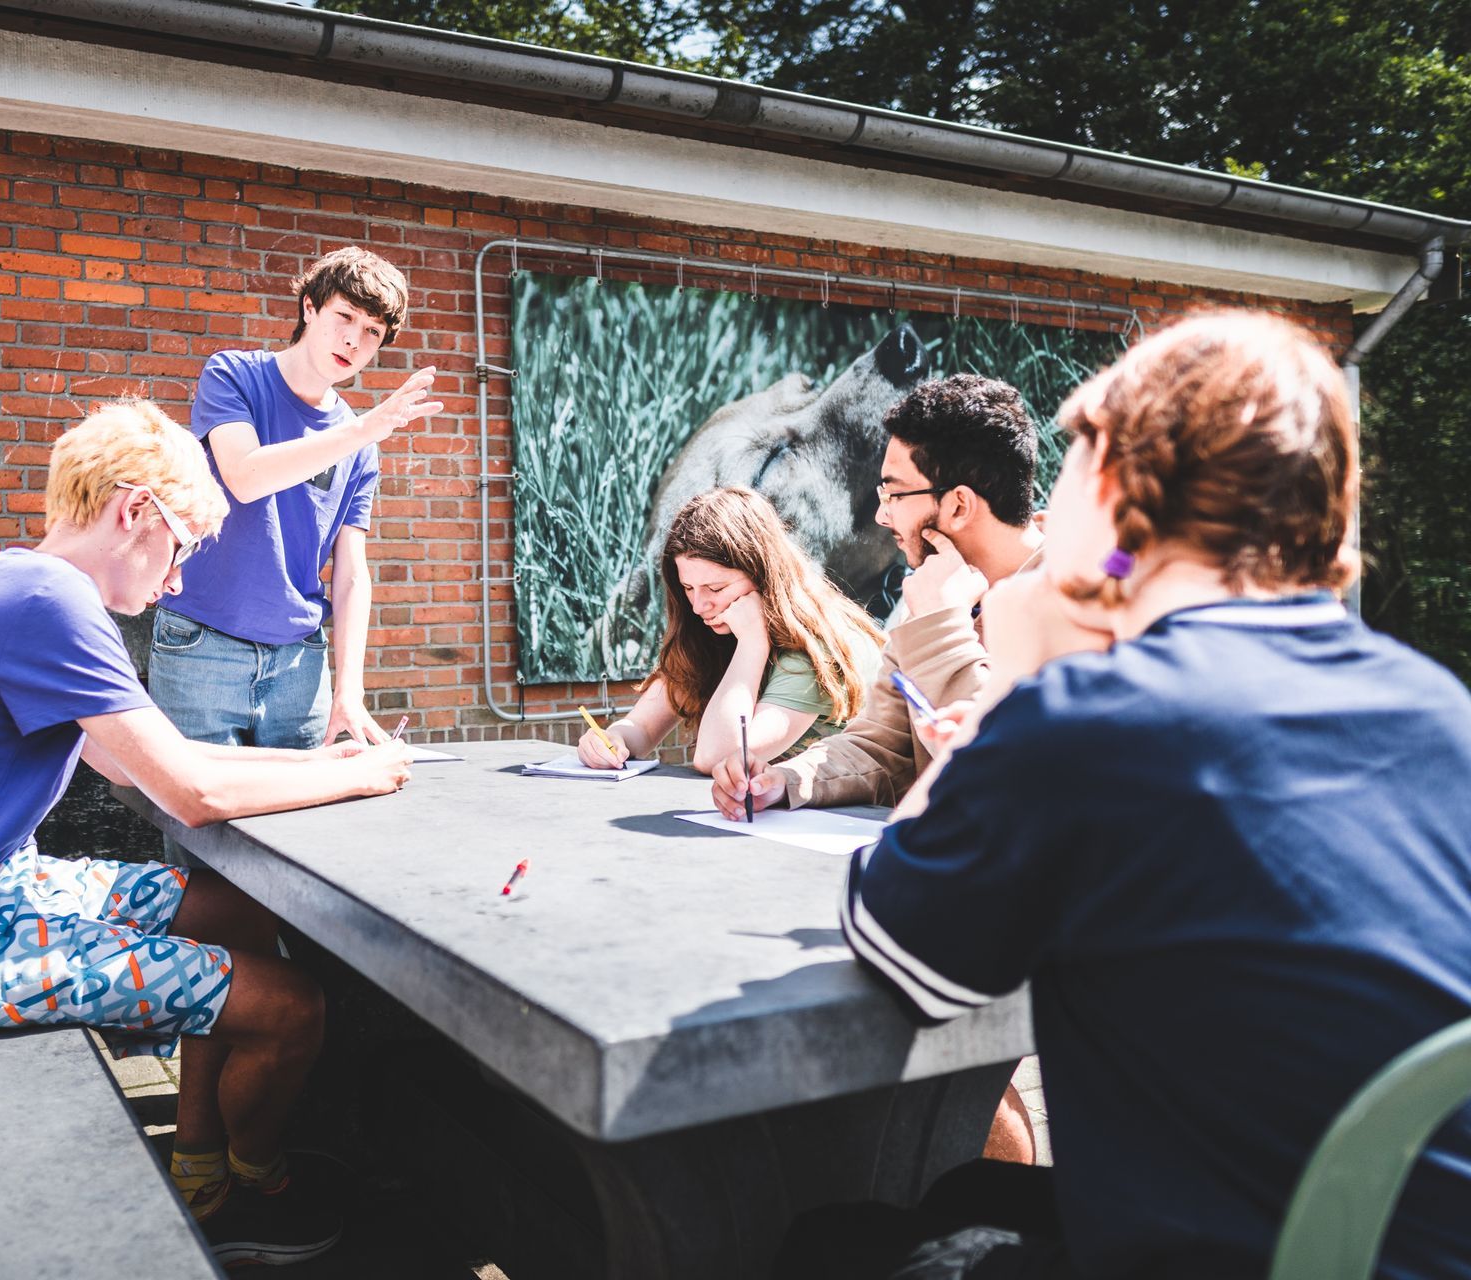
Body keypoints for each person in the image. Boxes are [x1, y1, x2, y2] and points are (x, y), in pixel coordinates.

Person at [822, 312, 1471, 1279]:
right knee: (962, 1198)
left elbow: (893, 941)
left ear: (1120, 488)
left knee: (825, 1242)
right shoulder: (1441, 711)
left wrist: (1016, 680)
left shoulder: (1089, 716)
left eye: (1077, 446)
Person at [0, 398, 412, 1267]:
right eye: (182, 552)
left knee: (229, 902)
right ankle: (250, 1184)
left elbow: (136, 764)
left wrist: (328, 764)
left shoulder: (4, 579)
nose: (175, 584)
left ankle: (198, 1160)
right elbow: (192, 791)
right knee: (292, 1007)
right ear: (134, 511)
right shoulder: (54, 602)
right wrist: (361, 777)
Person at [710, 373, 1045, 818]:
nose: (883, 515)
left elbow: (1014, 763)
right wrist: (787, 779)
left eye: (895, 493)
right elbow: (881, 746)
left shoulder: (1090, 605)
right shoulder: (933, 593)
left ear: (959, 505)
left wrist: (943, 623)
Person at [149, 246, 441, 755]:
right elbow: (244, 475)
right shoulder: (233, 375)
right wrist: (365, 429)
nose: (353, 339)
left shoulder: (359, 443)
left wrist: (350, 688)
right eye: (344, 317)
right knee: (197, 824)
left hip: (300, 664)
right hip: (201, 644)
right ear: (309, 307)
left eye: (372, 331)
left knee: (303, 826)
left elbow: (351, 573)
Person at [575, 486, 884, 775]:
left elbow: (721, 756)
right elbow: (640, 729)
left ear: (762, 574)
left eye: (716, 588)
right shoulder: (711, 632)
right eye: (688, 588)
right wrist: (612, 738)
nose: (699, 606)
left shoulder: (814, 645)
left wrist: (752, 643)